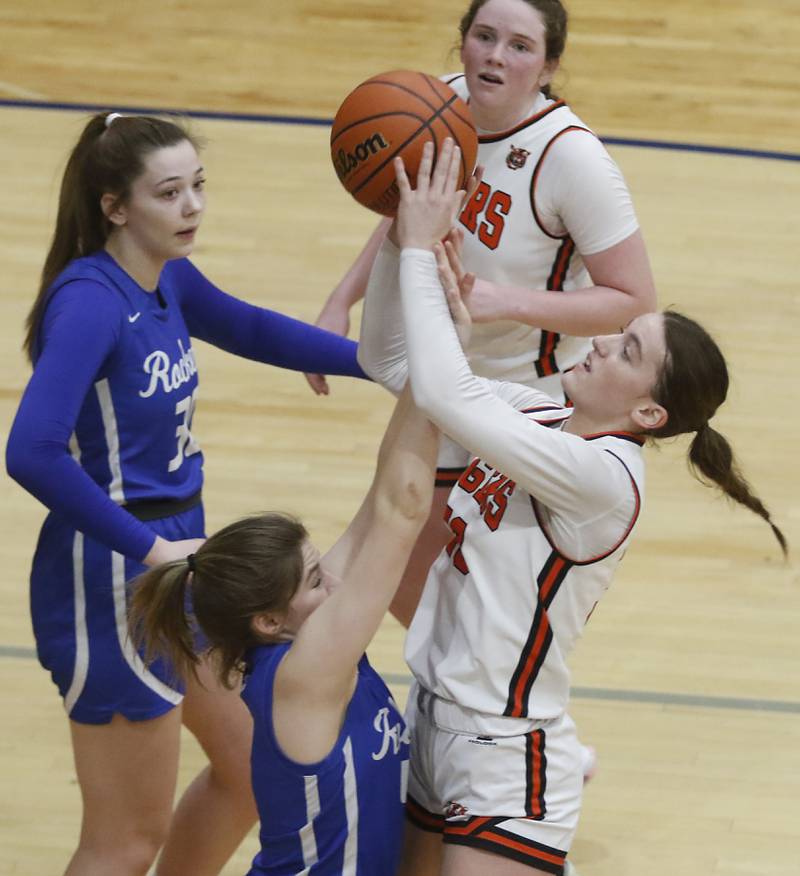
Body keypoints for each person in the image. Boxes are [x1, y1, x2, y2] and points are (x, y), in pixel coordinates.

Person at [358, 138, 786, 876]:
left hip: (505, 756)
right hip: (435, 717)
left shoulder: (603, 478)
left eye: (628, 352)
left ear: (649, 414)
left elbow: (443, 391)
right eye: (623, 334)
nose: (604, 345)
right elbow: (395, 365)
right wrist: (402, 242)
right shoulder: (543, 415)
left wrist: (426, 253)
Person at [5, 112, 369, 876]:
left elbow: (253, 329)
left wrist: (383, 366)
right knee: (124, 841)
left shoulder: (164, 275)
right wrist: (148, 547)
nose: (192, 207)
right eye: (169, 193)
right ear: (115, 206)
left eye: (197, 186)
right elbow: (29, 451)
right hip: (113, 566)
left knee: (248, 773)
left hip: (178, 555)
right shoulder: (91, 303)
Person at [307, 0, 657, 628]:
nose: (495, 56)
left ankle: (484, 710)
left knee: (454, 601)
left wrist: (506, 302)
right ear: (462, 41)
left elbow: (633, 300)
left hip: (523, 401)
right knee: (402, 579)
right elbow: (406, 210)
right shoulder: (435, 105)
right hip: (437, 378)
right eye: (484, 36)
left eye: (519, 46)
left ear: (548, 65)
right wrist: (343, 297)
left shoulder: (571, 159)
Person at [129, 383, 438, 875]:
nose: (336, 585)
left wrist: (422, 375)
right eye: (316, 581)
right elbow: (405, 511)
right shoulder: (307, 674)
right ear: (269, 621)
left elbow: (383, 494)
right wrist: (443, 378)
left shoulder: (298, 633)